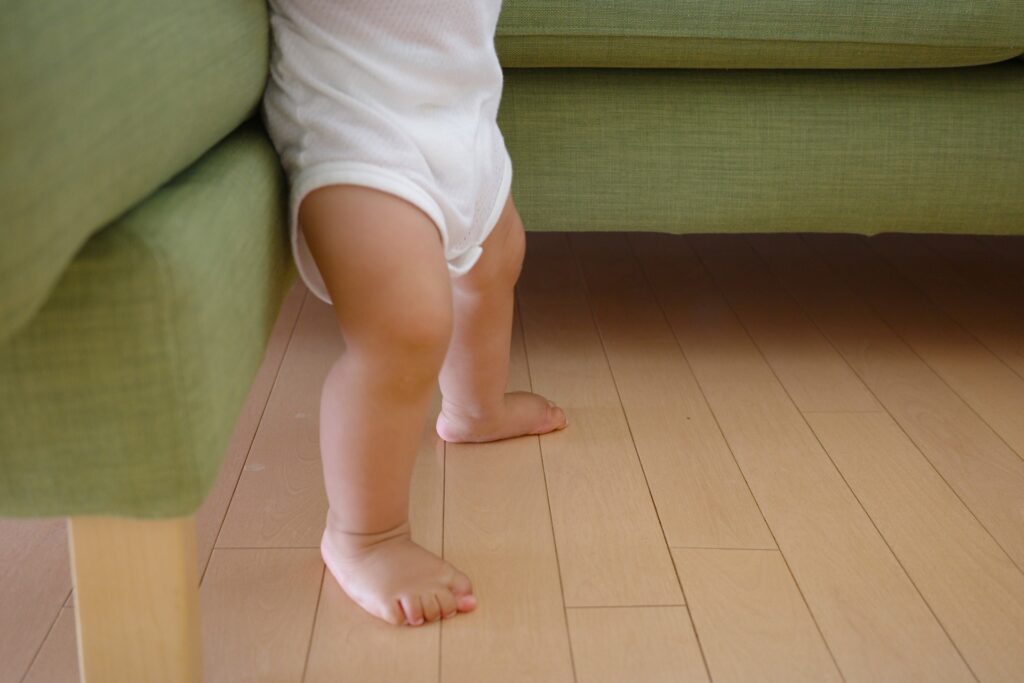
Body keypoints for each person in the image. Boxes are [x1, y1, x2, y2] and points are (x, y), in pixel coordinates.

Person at [262, 0, 568, 627]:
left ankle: (476, 409)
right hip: (356, 119)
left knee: (496, 262)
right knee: (405, 328)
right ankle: (365, 536)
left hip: (461, 112)